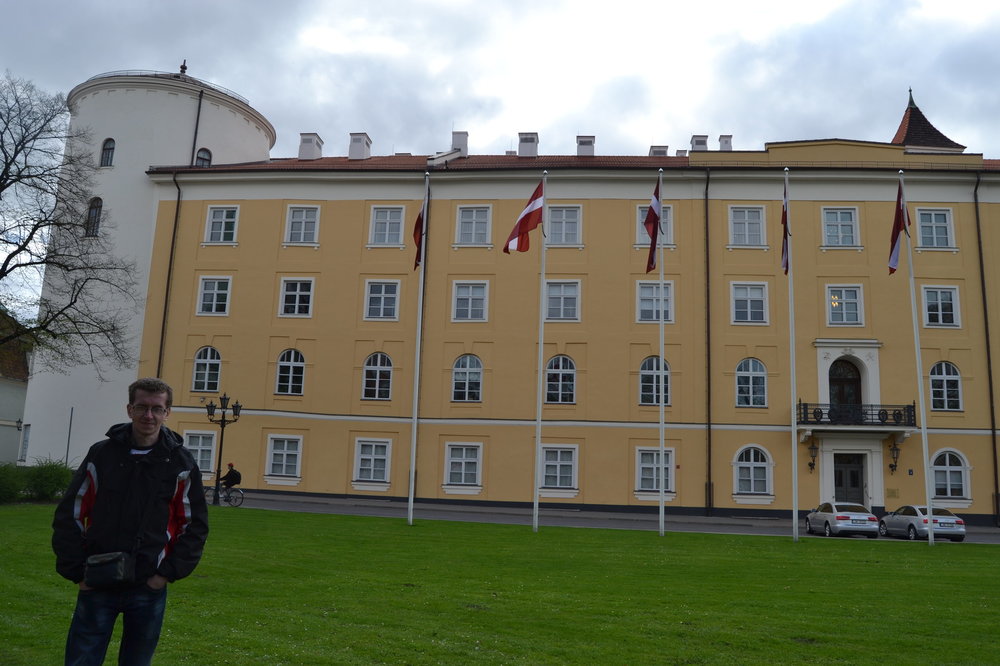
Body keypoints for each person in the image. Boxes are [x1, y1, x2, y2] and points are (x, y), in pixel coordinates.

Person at [52, 377, 209, 666]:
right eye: (141, 407)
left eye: (157, 408)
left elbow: (194, 525)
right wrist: (77, 572)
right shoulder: (102, 454)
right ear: (129, 409)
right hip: (98, 579)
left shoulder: (180, 463)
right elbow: (70, 513)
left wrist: (164, 574)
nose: (149, 415)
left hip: (148, 584)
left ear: (167, 412)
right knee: (81, 660)